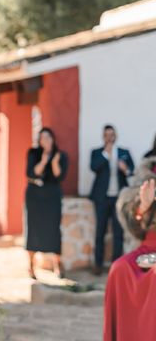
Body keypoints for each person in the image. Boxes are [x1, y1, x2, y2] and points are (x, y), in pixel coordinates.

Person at [104, 159, 156, 341]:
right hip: (149, 246)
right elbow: (133, 223)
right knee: (120, 267)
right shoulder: (146, 175)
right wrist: (143, 206)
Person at [90, 125, 135, 275]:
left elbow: (131, 171)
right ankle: (98, 264)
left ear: (116, 136)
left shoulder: (124, 152)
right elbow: (94, 167)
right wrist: (106, 155)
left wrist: (125, 169)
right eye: (106, 134)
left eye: (112, 134)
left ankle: (117, 265)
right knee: (100, 231)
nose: (109, 137)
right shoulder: (97, 153)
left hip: (119, 198)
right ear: (103, 137)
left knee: (118, 232)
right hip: (102, 198)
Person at [25, 127, 68, 279]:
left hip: (52, 196)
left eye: (48, 137)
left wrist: (54, 161)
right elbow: (31, 172)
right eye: (42, 138)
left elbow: (59, 176)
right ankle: (31, 265)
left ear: (53, 138)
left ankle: (57, 265)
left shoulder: (60, 155)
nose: (46, 141)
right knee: (34, 229)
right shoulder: (33, 153)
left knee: (54, 229)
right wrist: (44, 160)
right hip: (35, 196)